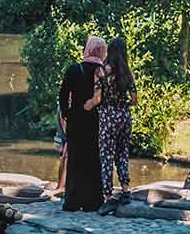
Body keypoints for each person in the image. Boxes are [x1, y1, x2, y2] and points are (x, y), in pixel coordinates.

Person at [86, 36, 136, 207]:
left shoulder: (101, 72)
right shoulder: (128, 73)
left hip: (108, 116)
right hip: (124, 116)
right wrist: (123, 104)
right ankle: (126, 189)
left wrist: (87, 106)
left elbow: (97, 98)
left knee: (106, 155)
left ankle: (107, 196)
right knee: (122, 153)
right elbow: (135, 100)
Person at [58, 35, 106, 212]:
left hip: (76, 119)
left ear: (87, 49)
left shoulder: (74, 69)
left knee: (75, 159)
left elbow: (63, 94)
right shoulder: (103, 72)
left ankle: (72, 200)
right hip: (96, 120)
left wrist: (66, 115)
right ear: (102, 51)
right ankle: (92, 201)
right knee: (93, 159)